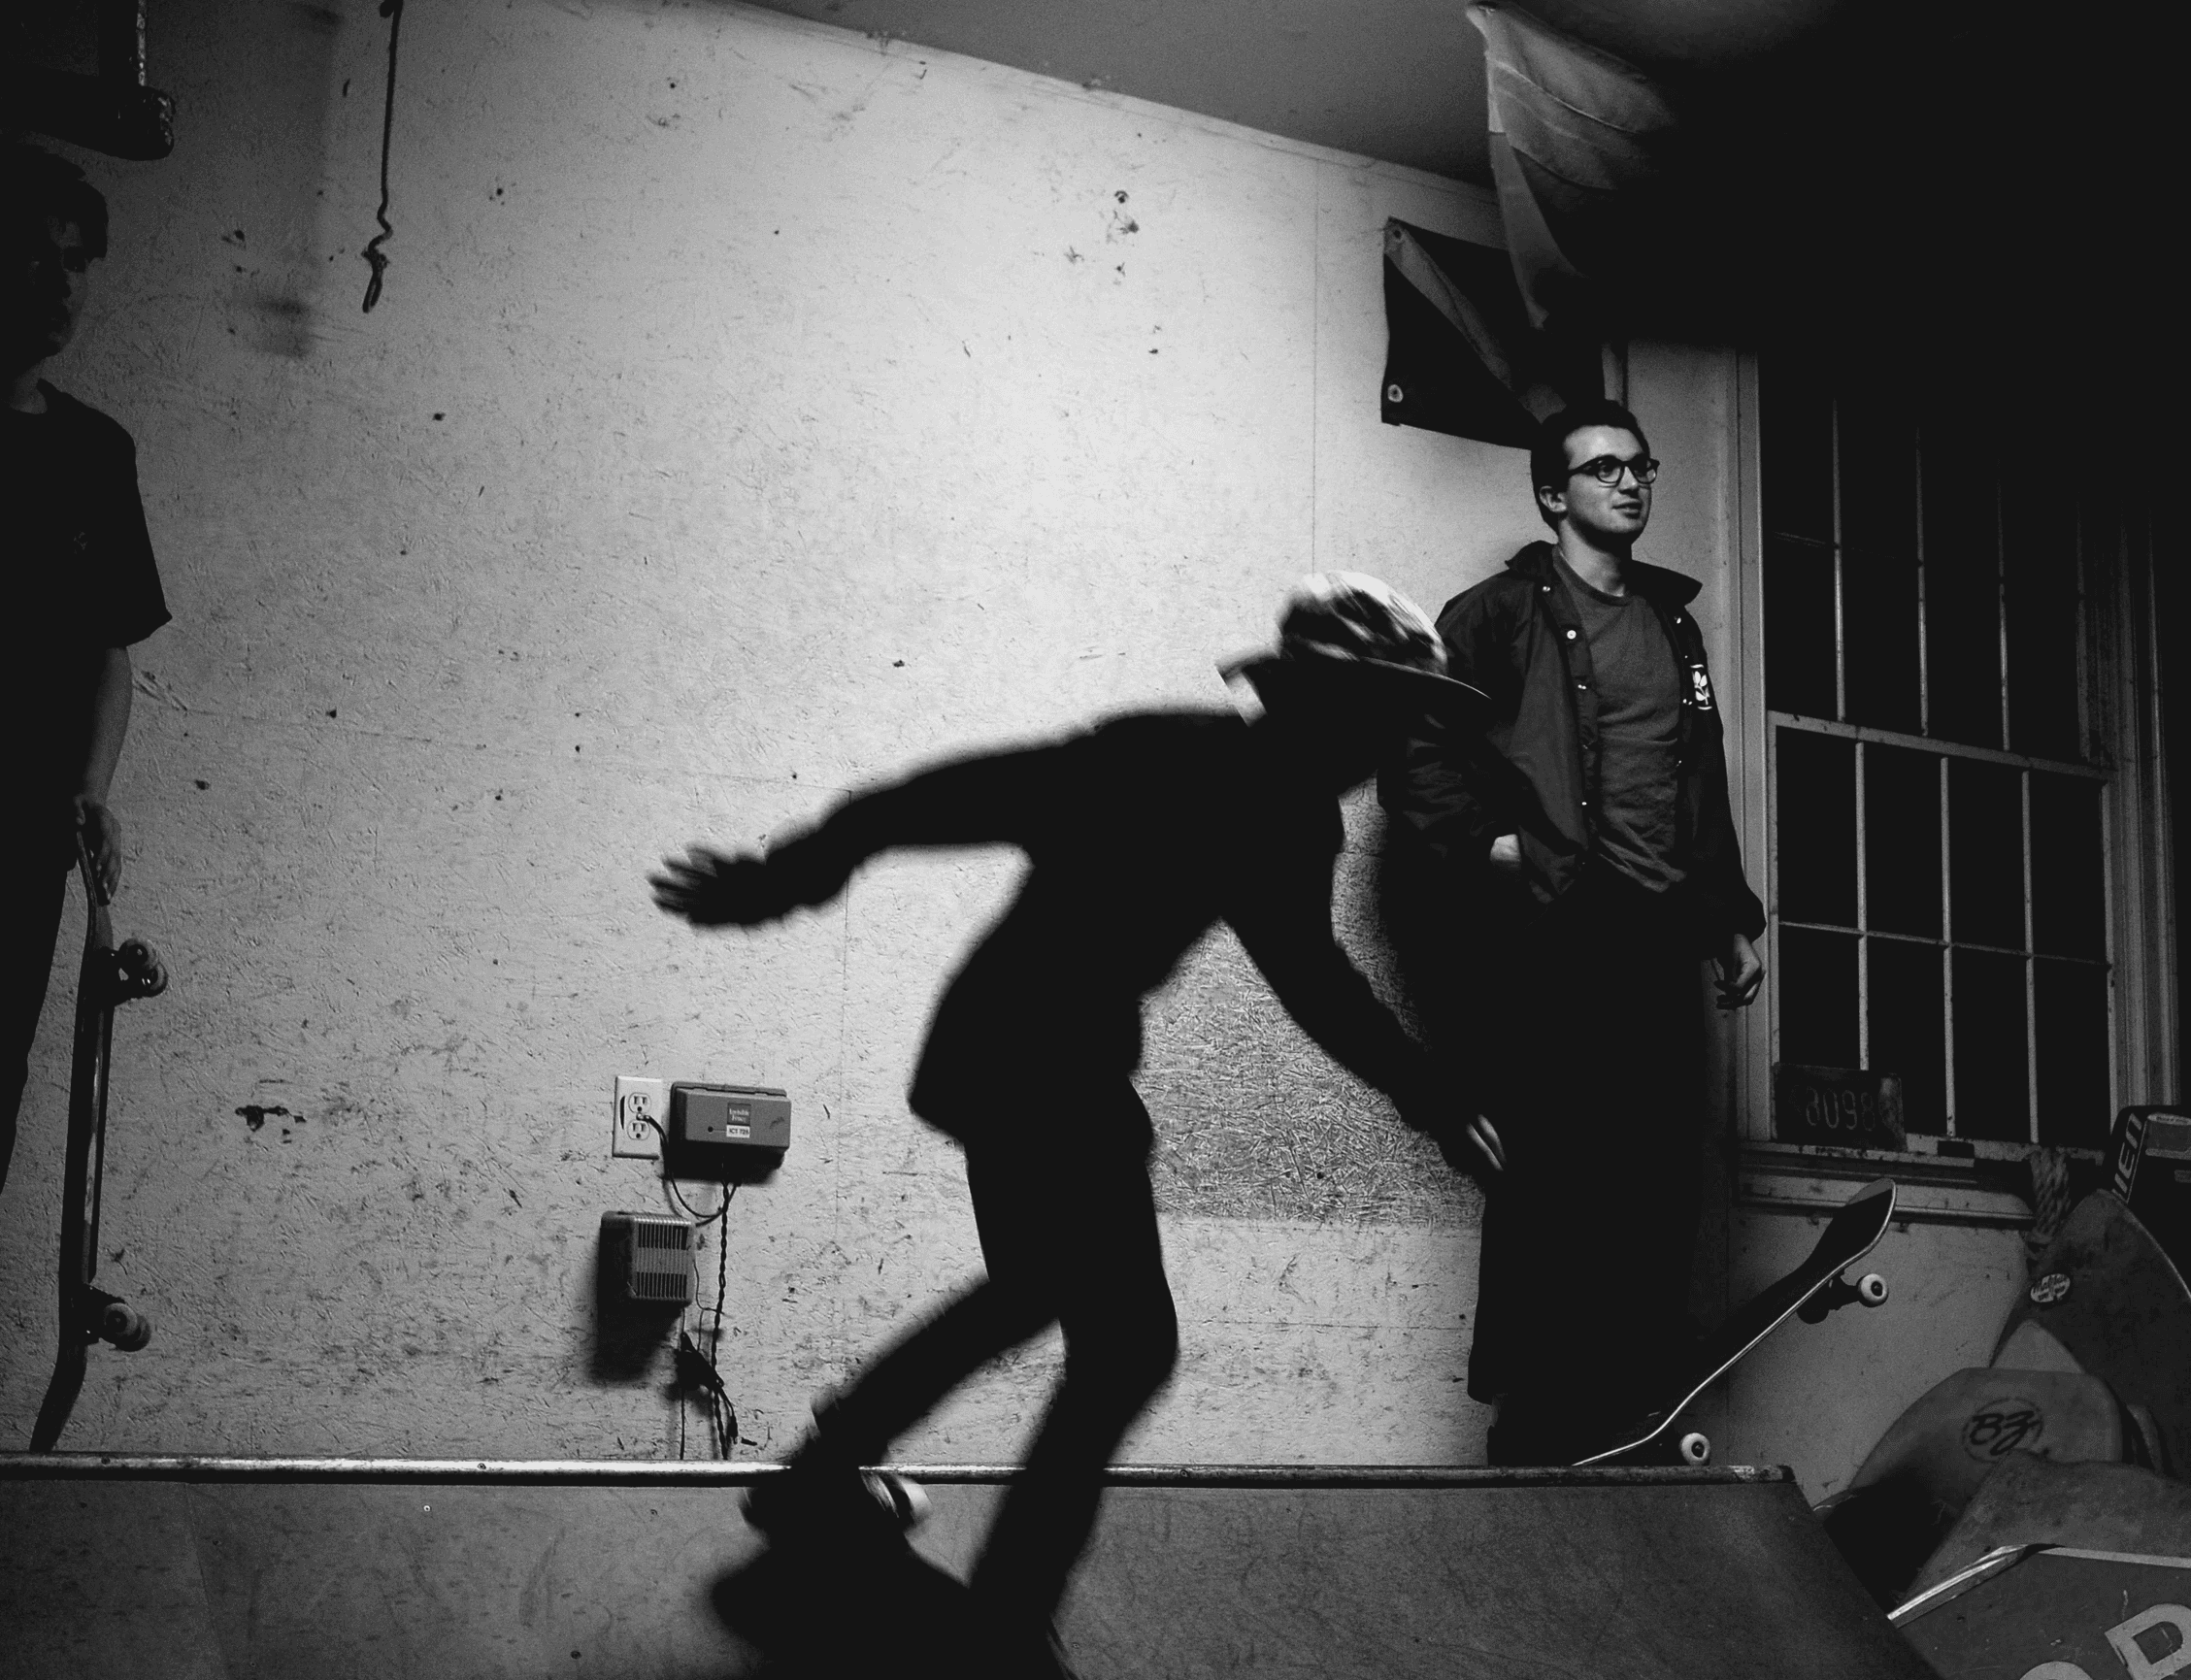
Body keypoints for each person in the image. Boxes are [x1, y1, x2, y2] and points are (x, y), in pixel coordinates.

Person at [651, 574, 1501, 1678]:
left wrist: (1425, 1094)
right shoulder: (1167, 753)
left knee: (1034, 1293)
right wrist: (795, 870)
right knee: (1127, 1347)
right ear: (1320, 701)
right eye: (1386, 719)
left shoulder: (1295, 818)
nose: (1391, 747)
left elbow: (1313, 980)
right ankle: (1000, 1619)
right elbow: (954, 795)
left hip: (1043, 1058)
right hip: (1030, 1056)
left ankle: (828, 1472)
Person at [1379, 399, 1768, 1466]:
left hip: (1658, 939)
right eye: (1602, 470)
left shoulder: (1673, 627)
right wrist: (1485, 844)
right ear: (1554, 495)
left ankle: (1622, 1432)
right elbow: (1416, 742)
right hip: (1558, 936)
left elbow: (1696, 788)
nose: (1629, 484)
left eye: (1641, 466)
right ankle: (1533, 1444)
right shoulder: (1498, 614)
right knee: (1558, 1192)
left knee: (1653, 1195)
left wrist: (1728, 918)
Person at [0, 144, 171, 1267]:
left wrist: (93, 790)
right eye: (30, 258)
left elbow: (110, 647)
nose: (58, 285)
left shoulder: (96, 452)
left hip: (17, 850)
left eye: (75, 262)